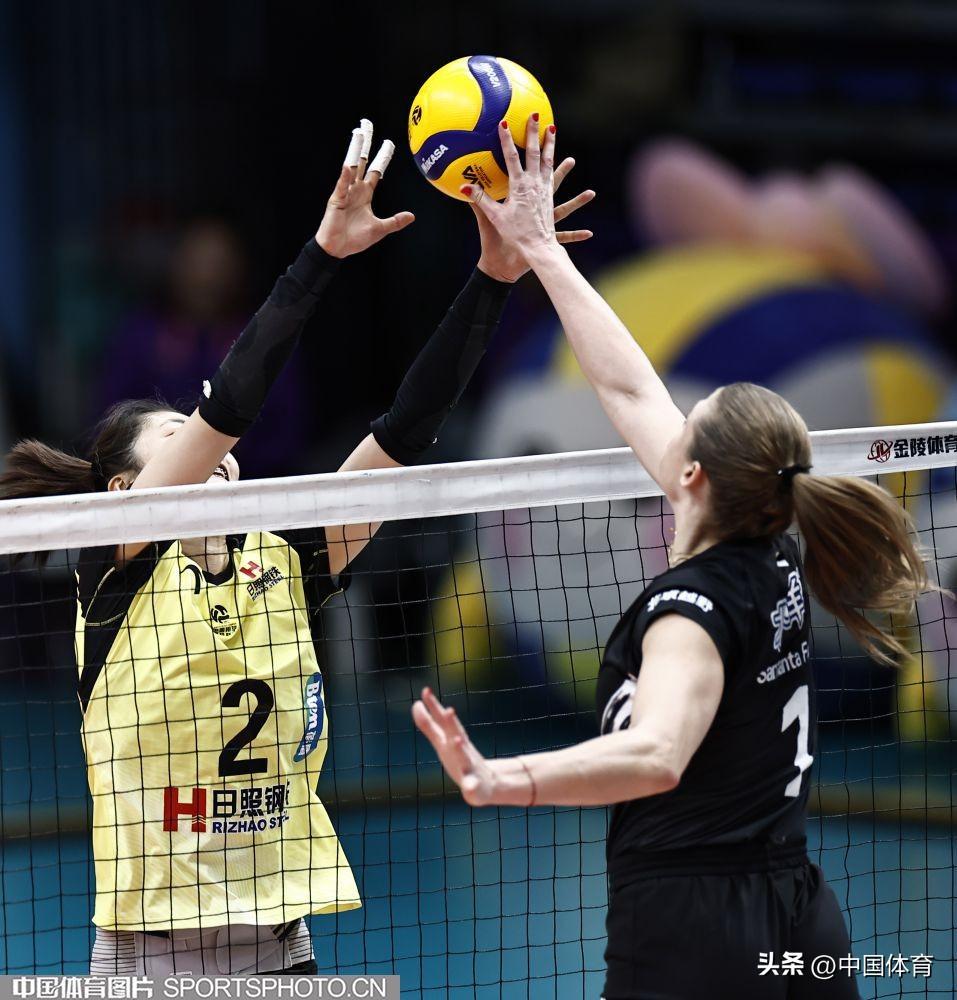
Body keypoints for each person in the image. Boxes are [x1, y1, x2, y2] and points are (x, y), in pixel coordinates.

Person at [0, 117, 594, 977]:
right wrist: (320, 255)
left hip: (283, 955)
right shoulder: (116, 567)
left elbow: (403, 431)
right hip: (145, 962)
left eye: (199, 434)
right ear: (123, 492)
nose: (204, 444)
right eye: (174, 437)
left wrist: (494, 279)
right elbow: (229, 406)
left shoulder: (288, 561)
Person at [413, 116, 929, 999]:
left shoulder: (690, 613)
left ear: (691, 474)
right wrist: (541, 251)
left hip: (696, 937)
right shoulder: (769, 544)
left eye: (693, 416)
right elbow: (625, 385)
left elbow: (656, 755)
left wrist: (500, 779)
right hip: (797, 916)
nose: (672, 413)